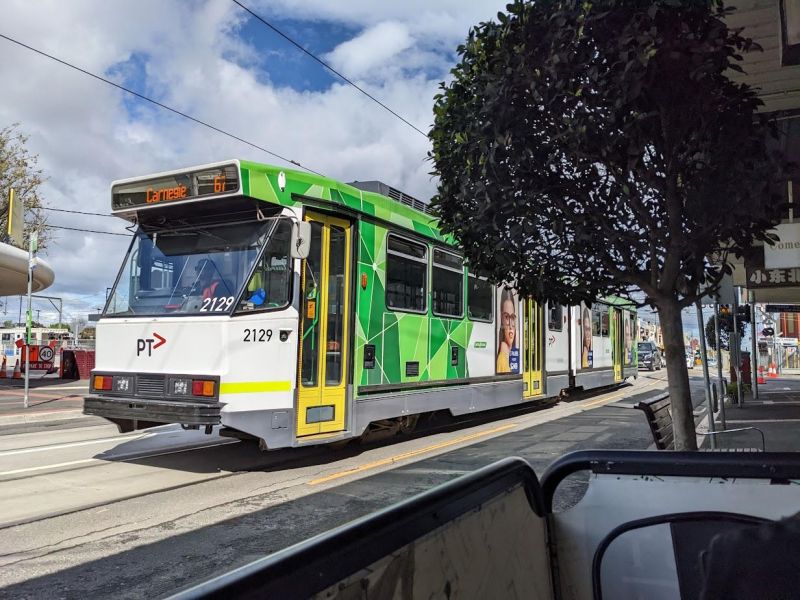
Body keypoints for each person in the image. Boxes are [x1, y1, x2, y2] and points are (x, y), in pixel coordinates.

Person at [497, 289, 518, 374]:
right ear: (501, 319)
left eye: (512, 317)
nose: (510, 325)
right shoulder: (502, 359)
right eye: (506, 317)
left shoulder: (508, 354)